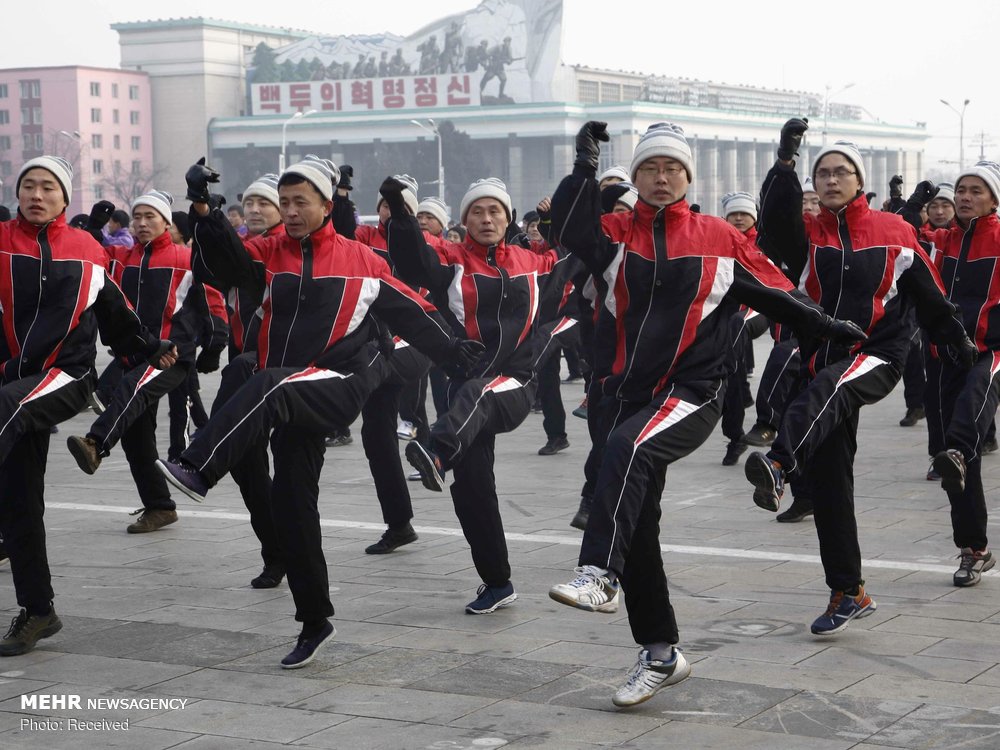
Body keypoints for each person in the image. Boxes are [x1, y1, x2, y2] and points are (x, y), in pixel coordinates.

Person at [545, 121, 866, 707]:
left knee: (630, 450)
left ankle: (595, 573)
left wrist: (826, 325)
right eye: (649, 168)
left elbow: (774, 289)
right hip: (627, 395)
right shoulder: (615, 232)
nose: (661, 177)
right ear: (636, 178)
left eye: (672, 168)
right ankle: (661, 653)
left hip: (695, 391)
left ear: (689, 176)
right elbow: (567, 232)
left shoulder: (719, 235)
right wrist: (584, 169)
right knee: (635, 525)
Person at [158, 155, 479, 669]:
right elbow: (222, 265)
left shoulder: (361, 259)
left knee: (266, 383)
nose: (288, 211)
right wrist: (202, 211)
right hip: (290, 390)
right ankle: (315, 621)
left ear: (327, 205)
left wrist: (452, 351)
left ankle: (197, 466)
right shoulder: (267, 252)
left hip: (337, 383)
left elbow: (411, 312)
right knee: (293, 506)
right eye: (281, 203)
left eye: (299, 201)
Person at [746, 119, 976, 636]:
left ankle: (780, 464)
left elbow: (929, 294)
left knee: (833, 386)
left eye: (840, 172)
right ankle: (849, 591)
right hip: (823, 361)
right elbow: (774, 221)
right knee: (831, 487)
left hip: (878, 355)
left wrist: (956, 340)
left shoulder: (895, 231)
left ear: (859, 181)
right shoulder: (806, 236)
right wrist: (784, 164)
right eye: (822, 173)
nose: (830, 180)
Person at [0, 156, 174, 655]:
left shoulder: (85, 249)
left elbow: (116, 314)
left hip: (66, 378)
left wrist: (151, 347)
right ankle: (39, 611)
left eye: (48, 187)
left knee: (8, 406)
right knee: (19, 501)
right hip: (12, 383)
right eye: (28, 186)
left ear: (64, 197)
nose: (37, 194)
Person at [385, 175, 567, 614]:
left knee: (482, 397)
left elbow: (575, 263)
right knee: (472, 490)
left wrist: (559, 209)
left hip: (512, 385)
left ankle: (437, 452)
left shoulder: (533, 261)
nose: (487, 219)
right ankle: (497, 581)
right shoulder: (450, 259)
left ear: (507, 218)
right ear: (464, 220)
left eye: (495, 211)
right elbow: (412, 255)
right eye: (477, 212)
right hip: (461, 390)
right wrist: (398, 206)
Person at [65, 189, 228, 534]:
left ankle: (95, 444)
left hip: (172, 354)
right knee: (137, 438)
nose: (141, 223)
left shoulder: (186, 258)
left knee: (131, 387)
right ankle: (160, 506)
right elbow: (84, 255)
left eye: (149, 216)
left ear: (166, 221)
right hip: (133, 352)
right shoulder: (121, 257)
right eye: (136, 217)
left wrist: (214, 345)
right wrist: (93, 228)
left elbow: (212, 301)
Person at [190, 171, 289, 588]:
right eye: (249, 203)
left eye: (265, 202)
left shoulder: (288, 251)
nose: (255, 209)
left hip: (284, 371)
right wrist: (203, 212)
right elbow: (204, 268)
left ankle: (298, 555)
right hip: (244, 364)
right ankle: (276, 553)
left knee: (292, 474)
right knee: (247, 464)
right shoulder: (241, 249)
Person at [918, 162, 1000, 586]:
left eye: (976, 190)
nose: (965, 197)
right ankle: (974, 550)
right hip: (947, 354)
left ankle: (957, 449)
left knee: (968, 418)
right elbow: (897, 244)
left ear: (993, 200)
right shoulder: (942, 241)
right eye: (961, 190)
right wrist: (911, 204)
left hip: (991, 352)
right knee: (955, 459)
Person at [718, 191, 770, 466]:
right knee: (732, 378)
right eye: (733, 214)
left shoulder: (765, 241)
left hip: (760, 307)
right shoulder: (717, 240)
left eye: (744, 214)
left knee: (736, 332)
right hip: (727, 315)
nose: (738, 218)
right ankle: (734, 436)